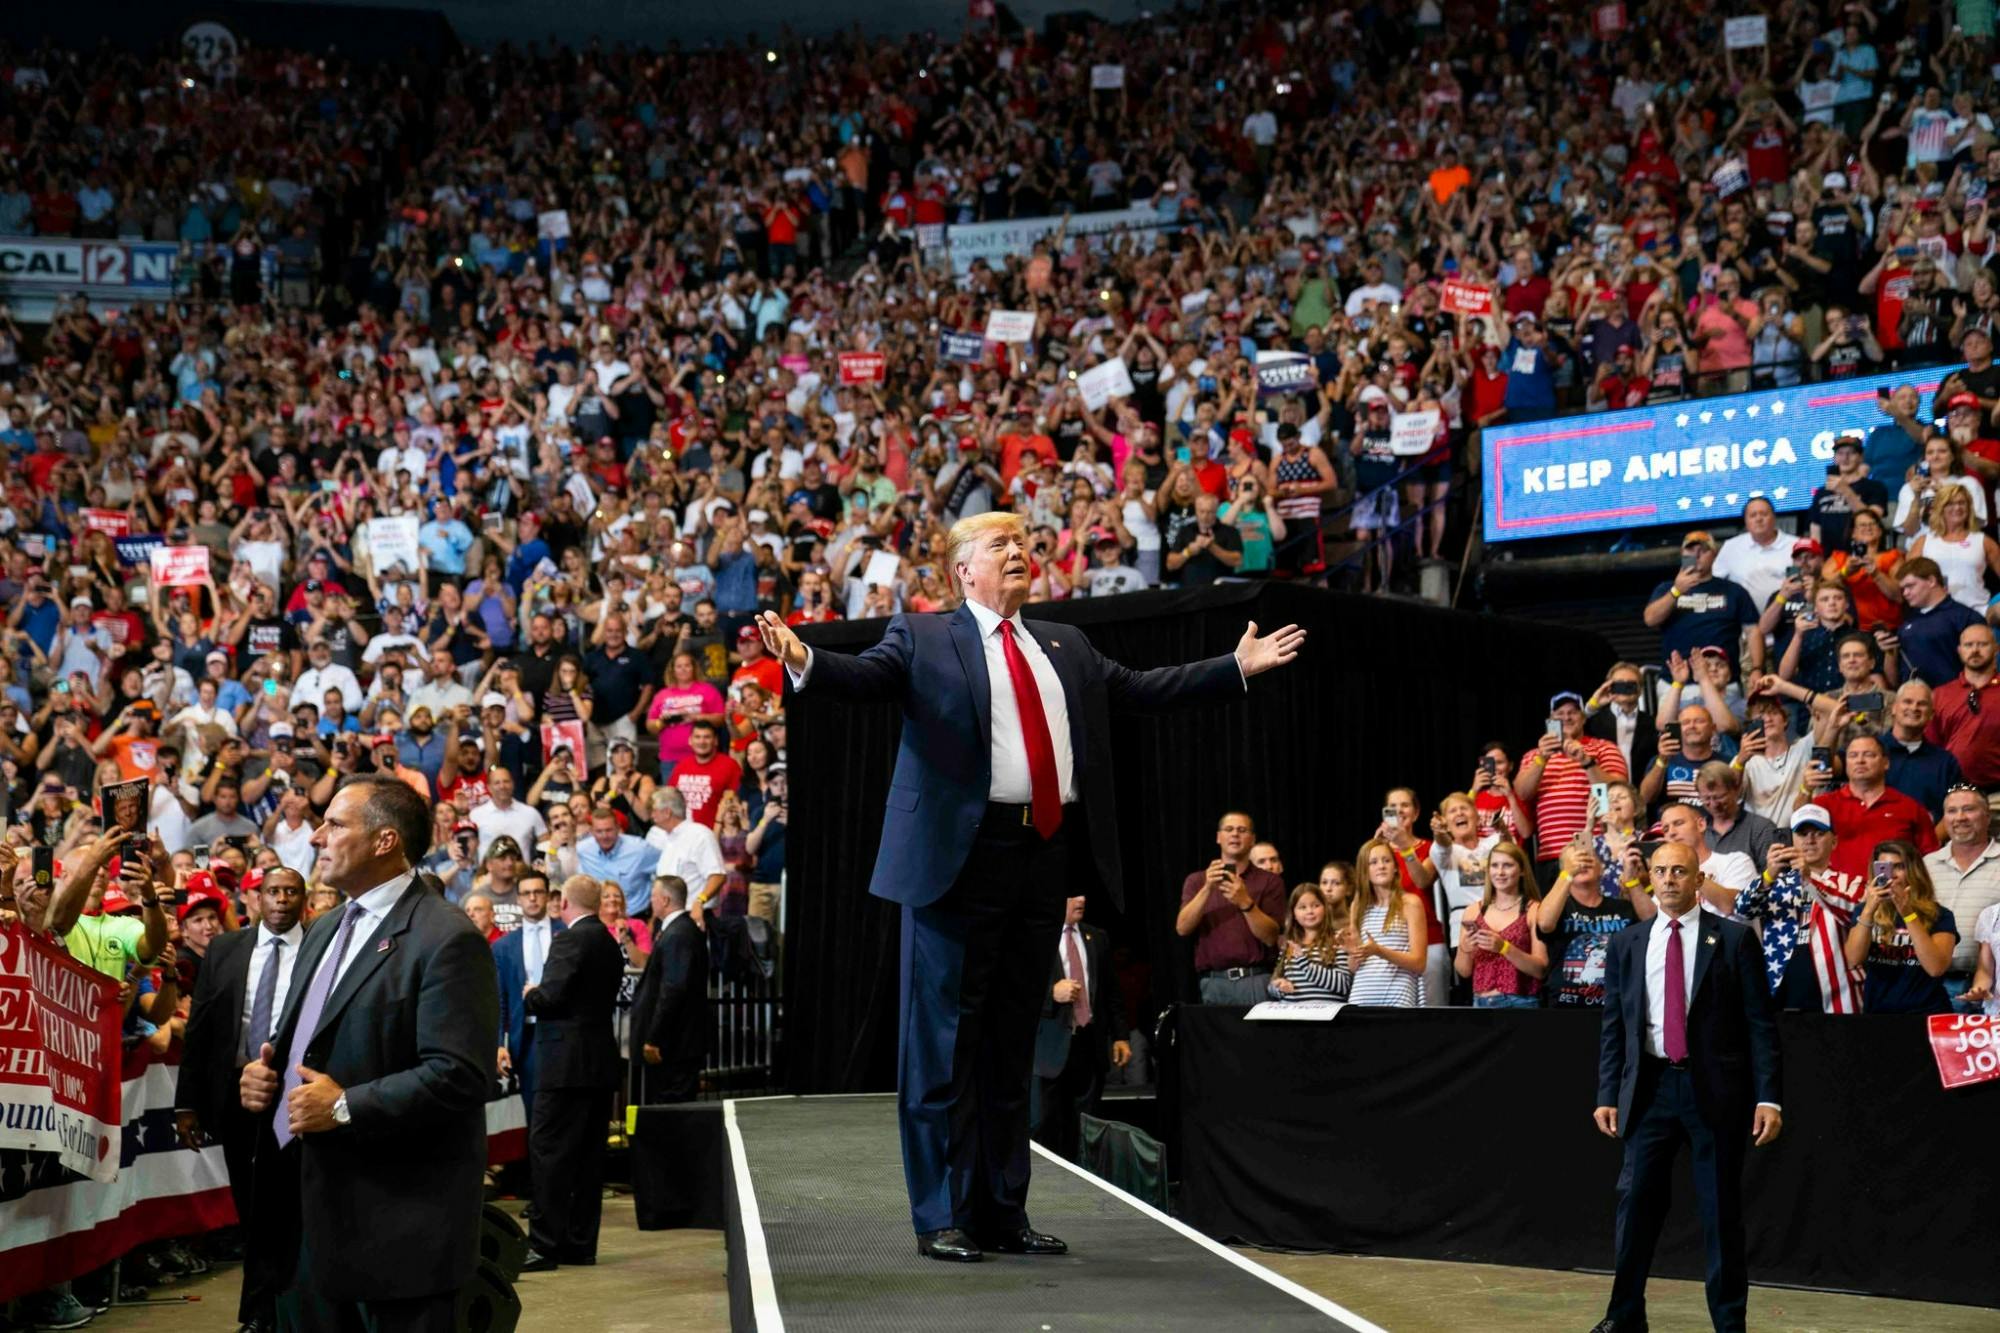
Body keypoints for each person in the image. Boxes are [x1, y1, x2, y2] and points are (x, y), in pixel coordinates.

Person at [753, 511, 1301, 1263]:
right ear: (963, 572)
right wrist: (806, 658)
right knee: (943, 1046)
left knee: (1013, 1045)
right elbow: (862, 677)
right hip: (955, 860)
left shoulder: (1064, 644)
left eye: (1024, 542)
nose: (1018, 552)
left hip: (1038, 854)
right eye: (999, 545)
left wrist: (1232, 667)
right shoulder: (923, 636)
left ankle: (1003, 1210)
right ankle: (941, 1214)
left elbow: (1140, 688)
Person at [237, 776, 498, 1333]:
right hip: (303, 1220)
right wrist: (267, 1077)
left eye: (334, 824)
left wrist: (345, 1106)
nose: (316, 838)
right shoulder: (326, 926)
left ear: (384, 841)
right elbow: (311, 1041)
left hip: (395, 1230)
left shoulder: (446, 937)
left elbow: (459, 1076)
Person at [1591, 840, 1782, 1333]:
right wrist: (1608, 1094)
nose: (1670, 879)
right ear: (1649, 879)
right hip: (1649, 1090)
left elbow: (1760, 1026)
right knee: (1634, 1207)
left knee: (1720, 1211)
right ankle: (1624, 1317)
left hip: (1714, 1094)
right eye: (1661, 871)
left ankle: (1728, 1323)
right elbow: (1615, 1025)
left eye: (1680, 870)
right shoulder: (1627, 943)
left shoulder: (1735, 940)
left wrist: (1769, 1097)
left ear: (1699, 880)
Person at [173, 866, 306, 1333]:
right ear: (255, 899)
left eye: (292, 892)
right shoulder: (227, 950)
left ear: (304, 899)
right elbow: (200, 1030)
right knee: (251, 1207)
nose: (282, 900)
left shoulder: (321, 948)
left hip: (299, 1096)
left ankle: (281, 1311)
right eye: (273, 891)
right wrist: (186, 1103)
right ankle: (261, 1312)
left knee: (291, 1205)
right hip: (236, 1096)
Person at [519, 874, 627, 1272]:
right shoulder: (609, 941)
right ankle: (580, 1245)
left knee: (549, 1153)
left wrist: (531, 993)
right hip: (598, 1064)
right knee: (587, 1159)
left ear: (563, 902)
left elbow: (551, 998)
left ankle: (545, 1246)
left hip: (564, 1065)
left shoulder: (570, 939)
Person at [1731, 805, 1866, 1012]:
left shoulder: (1851, 882)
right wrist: (1767, 875)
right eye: (1802, 834)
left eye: (1819, 833)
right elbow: (1741, 910)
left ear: (1834, 841)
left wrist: (1809, 880)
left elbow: (1854, 915)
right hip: (1781, 989)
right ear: (1791, 840)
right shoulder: (1774, 881)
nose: (1810, 840)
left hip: (1838, 990)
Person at [1029, 895, 1130, 1163]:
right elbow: (1017, 992)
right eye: (1073, 895)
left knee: (1088, 1126)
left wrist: (1121, 1036)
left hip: (1088, 1045)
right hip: (1050, 1051)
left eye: (1084, 894)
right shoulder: (1037, 937)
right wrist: (1052, 993)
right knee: (1046, 1125)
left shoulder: (1096, 938)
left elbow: (1112, 993)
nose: (1082, 900)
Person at [1175, 811, 1288, 1004]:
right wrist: (1208, 888)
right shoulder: (1197, 881)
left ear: (1252, 840)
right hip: (1213, 982)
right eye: (1229, 829)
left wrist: (1245, 901)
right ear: (1219, 837)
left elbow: (1270, 937)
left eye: (1242, 830)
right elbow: (1182, 928)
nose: (1235, 834)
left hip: (1255, 979)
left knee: (1254, 1035)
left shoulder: (1269, 881)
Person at [1843, 840, 1960, 1015]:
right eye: (1884, 868)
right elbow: (1853, 959)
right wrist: (1868, 911)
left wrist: (1907, 913)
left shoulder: (1940, 914)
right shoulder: (1864, 911)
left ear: (1914, 871)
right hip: (1877, 1012)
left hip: (1926, 1011)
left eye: (1899, 867)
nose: (1893, 875)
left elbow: (1935, 968)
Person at [1540, 841, 1653, 1008]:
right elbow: (1544, 924)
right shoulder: (1558, 908)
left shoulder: (1622, 908)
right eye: (1575, 860)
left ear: (1601, 868)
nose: (1582, 862)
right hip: (1564, 1008)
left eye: (1589, 857)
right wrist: (1567, 874)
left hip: (1616, 1008)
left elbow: (1654, 924)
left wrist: (1631, 881)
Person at [1813, 734, 1940, 880]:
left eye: (1869, 755)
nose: (1860, 761)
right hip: (1835, 898)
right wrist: (1806, 789)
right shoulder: (1823, 805)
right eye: (1853, 755)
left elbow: (1930, 861)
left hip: (1890, 897)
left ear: (1886, 762)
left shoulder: (1910, 808)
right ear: (1846, 763)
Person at [630, 874, 709, 1104]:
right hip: (677, 1043)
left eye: (653, 896)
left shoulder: (678, 934)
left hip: (675, 1045)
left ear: (664, 900)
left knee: (672, 1109)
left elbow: (673, 989)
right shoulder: (680, 930)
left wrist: (654, 1037)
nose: (650, 901)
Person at [492, 873, 562, 1124]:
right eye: (526, 893)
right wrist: (499, 1042)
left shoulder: (566, 934)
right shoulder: (503, 947)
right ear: (518, 898)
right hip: (526, 1036)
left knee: (561, 1114)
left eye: (538, 892)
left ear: (547, 895)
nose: (532, 898)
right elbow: (499, 999)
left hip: (562, 1032)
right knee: (534, 1115)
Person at [1923, 786, 2000, 1012]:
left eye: (1969, 809)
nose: (1960, 818)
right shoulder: (1927, 865)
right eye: (1952, 811)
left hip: (1991, 990)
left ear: (1987, 817)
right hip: (1931, 985)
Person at [1451, 841, 1546, 1008]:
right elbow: (1464, 971)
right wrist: (1465, 948)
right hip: (1481, 1003)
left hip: (1521, 1003)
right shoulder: (1473, 911)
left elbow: (1540, 969)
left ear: (1522, 870)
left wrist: (1504, 947)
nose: (1500, 872)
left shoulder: (1534, 910)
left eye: (1508, 865)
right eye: (1495, 865)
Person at [1342, 838, 1429, 1006]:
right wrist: (1353, 952)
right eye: (1373, 862)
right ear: (1364, 871)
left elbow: (1419, 963)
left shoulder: (1411, 903)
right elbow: (1353, 967)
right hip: (1362, 996)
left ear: (1396, 867)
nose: (1381, 866)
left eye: (1386, 860)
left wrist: (1379, 951)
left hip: (1398, 997)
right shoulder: (1357, 905)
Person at [1926, 622, 2000, 789]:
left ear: (1996, 648)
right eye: (1968, 645)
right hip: (1952, 790)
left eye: (1982, 644)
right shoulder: (1940, 694)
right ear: (1959, 651)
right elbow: (1931, 746)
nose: (1975, 650)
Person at [1265, 881, 1351, 1002]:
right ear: (1294, 913)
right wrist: (1279, 987)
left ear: (1325, 908)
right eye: (1302, 907)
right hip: (1293, 1015)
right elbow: (1273, 986)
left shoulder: (1337, 942)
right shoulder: (1289, 946)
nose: (1310, 911)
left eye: (1316, 905)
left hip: (1325, 1015)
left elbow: (1344, 985)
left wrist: (1304, 963)